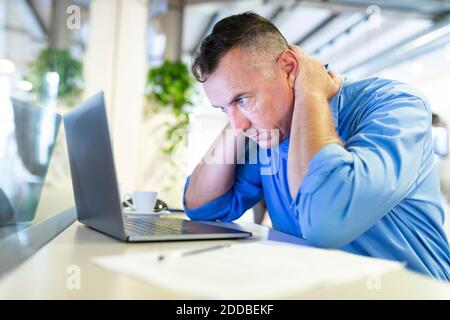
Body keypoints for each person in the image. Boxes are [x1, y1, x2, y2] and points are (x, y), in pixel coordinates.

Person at [183, 12, 450, 280]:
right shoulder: (268, 133)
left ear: (289, 68)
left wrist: (310, 91)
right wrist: (237, 115)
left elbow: (327, 223)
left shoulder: (395, 105)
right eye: (222, 108)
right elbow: (201, 206)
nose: (238, 124)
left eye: (242, 98)